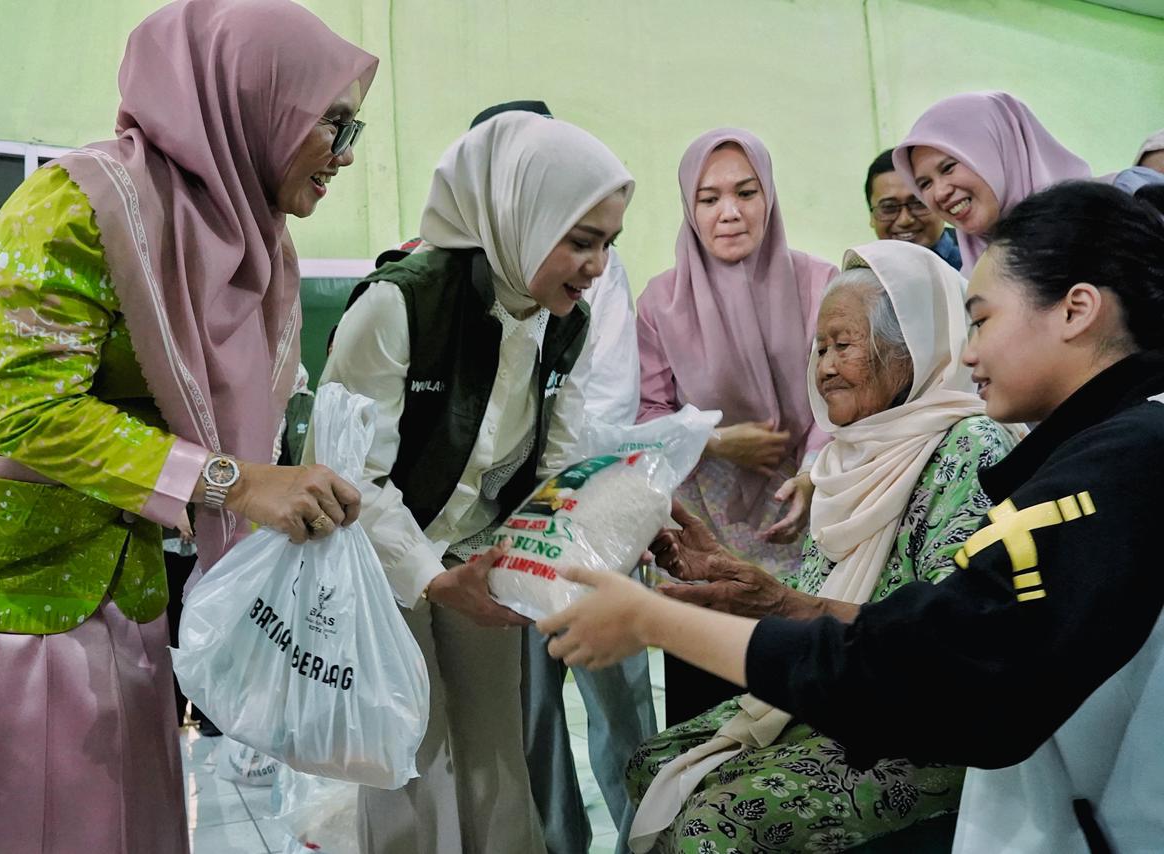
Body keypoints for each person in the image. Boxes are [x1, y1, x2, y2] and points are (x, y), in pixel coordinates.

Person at [538, 181, 1164, 853]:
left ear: (1075, 310)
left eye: (980, 319)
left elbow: (945, 657)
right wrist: (768, 599)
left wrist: (656, 619)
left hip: (1079, 795)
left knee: (714, 819)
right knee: (661, 765)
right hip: (994, 740)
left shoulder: (1097, 462)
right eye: (819, 348)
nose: (970, 350)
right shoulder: (862, 458)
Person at [0, 2, 376, 850]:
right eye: (330, 123)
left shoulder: (253, 247)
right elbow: (27, 407)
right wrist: (234, 482)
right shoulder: (79, 205)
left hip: (112, 577)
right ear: (252, 98)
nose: (345, 154)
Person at [622, 239, 1015, 853]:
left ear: (910, 346)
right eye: (820, 348)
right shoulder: (845, 455)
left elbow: (948, 644)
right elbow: (815, 603)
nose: (825, 366)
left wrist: (774, 603)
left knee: (713, 822)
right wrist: (731, 579)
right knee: (649, 761)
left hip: (925, 729)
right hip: (840, 692)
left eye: (845, 346)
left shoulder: (973, 449)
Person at [319, 111, 633, 854]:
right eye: (581, 241)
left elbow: (557, 464)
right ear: (518, 217)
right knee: (404, 760)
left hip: (476, 554)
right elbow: (346, 476)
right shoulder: (401, 305)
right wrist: (430, 579)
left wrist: (593, 535)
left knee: (496, 756)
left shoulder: (564, 323)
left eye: (608, 245)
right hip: (376, 558)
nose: (596, 266)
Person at [636, 129, 837, 724]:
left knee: (800, 702)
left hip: (808, 517)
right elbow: (646, 416)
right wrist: (717, 440)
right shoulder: (660, 303)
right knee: (707, 705)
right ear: (688, 208)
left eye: (746, 192)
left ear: (769, 196)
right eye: (708, 198)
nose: (729, 212)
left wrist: (811, 473)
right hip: (705, 533)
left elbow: (843, 394)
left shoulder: (820, 285)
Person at [893, 90, 1090, 276]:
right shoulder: (969, 282)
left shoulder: (1103, 221)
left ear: (1000, 151)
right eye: (925, 184)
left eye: (948, 168)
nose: (939, 193)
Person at [866, 148, 961, 269]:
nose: (905, 220)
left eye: (918, 203)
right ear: (871, 217)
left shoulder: (977, 262)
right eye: (889, 207)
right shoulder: (863, 278)